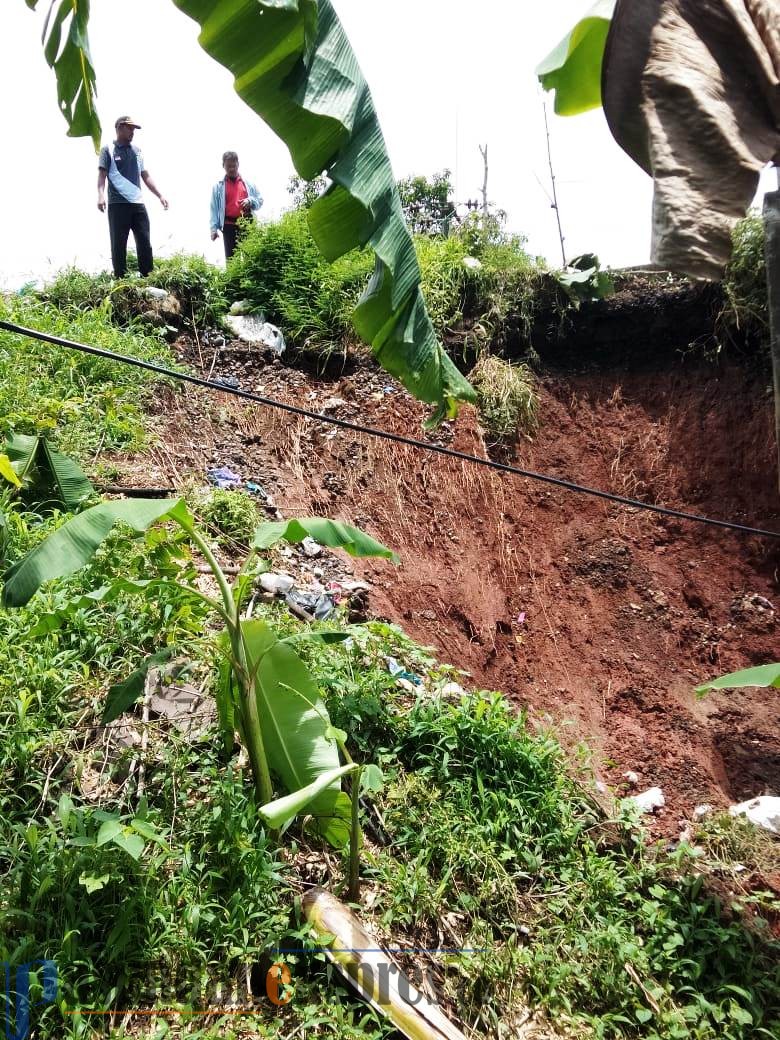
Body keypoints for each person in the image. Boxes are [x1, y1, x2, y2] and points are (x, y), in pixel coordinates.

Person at [97, 116, 168, 278]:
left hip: (137, 203)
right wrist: (100, 195)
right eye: (130, 128)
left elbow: (145, 175)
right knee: (118, 243)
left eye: (134, 129)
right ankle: (120, 279)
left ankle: (148, 276)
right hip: (117, 204)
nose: (132, 132)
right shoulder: (107, 149)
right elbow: (102, 175)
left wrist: (159, 195)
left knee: (144, 240)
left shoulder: (137, 152)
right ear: (119, 128)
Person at [210, 151, 263, 260]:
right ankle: (234, 278)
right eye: (228, 166)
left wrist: (250, 201)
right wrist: (213, 229)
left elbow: (260, 200)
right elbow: (214, 209)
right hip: (228, 226)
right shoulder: (218, 187)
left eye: (234, 166)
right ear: (223, 166)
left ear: (238, 164)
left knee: (251, 259)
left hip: (247, 223)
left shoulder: (248, 184)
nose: (231, 169)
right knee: (232, 261)